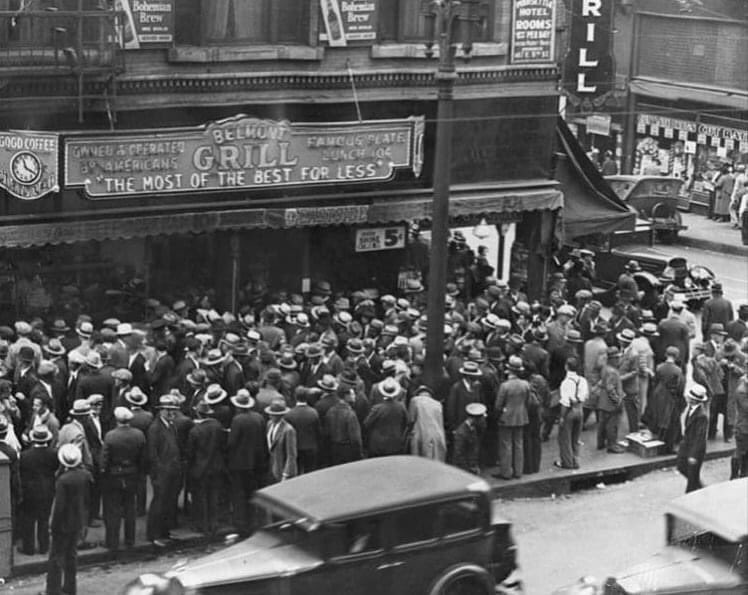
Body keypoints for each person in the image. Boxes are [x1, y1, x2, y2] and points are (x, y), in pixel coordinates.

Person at [45, 444, 93, 595]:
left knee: (56, 558)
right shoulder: (85, 475)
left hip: (63, 524)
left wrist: (53, 525)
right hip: (78, 521)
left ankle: (53, 590)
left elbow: (59, 506)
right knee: (71, 556)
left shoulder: (63, 480)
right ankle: (70, 588)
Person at [101, 406, 146, 551]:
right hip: (132, 474)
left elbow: (104, 460)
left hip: (114, 476)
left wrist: (104, 474)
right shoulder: (139, 435)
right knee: (130, 509)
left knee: (113, 510)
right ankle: (130, 540)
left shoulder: (110, 436)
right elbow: (142, 458)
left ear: (117, 420)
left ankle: (112, 542)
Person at [226, 389, 266, 536]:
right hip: (256, 462)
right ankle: (253, 521)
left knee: (239, 494)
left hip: (239, 463)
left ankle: (241, 524)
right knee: (251, 493)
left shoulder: (237, 420)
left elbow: (231, 443)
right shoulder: (259, 418)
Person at [146, 394, 182, 547]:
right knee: (159, 503)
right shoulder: (155, 429)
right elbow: (152, 454)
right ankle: (154, 534)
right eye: (168, 410)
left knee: (167, 503)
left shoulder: (171, 425)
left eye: (173, 410)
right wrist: (159, 472)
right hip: (161, 473)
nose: (171, 413)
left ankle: (164, 532)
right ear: (161, 411)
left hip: (172, 471)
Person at [186, 401, 225, 536]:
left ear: (198, 413)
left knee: (200, 498)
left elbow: (190, 454)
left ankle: (202, 525)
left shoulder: (195, 431)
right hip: (216, 467)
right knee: (213, 496)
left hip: (199, 469)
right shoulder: (217, 426)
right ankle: (214, 524)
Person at [18, 426, 58, 556]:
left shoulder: (25, 456)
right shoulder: (53, 454)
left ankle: (28, 548)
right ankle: (44, 546)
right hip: (47, 489)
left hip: (29, 490)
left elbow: (21, 473)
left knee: (28, 519)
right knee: (44, 519)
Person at [494, 356, 530, 479]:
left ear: (509, 370)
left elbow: (498, 405)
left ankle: (506, 472)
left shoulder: (505, 386)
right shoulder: (525, 384)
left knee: (506, 445)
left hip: (506, 417)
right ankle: (518, 471)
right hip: (521, 416)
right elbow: (528, 401)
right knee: (519, 444)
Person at [554, 357, 588, 469]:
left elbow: (565, 402)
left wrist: (562, 417)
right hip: (580, 409)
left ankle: (567, 462)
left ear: (566, 367)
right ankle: (575, 460)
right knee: (575, 438)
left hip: (569, 411)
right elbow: (585, 397)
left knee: (565, 438)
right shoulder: (582, 380)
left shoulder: (566, 383)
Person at [363, 377, 408, 457]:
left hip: (378, 445)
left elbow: (366, 424)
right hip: (396, 443)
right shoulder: (401, 407)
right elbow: (406, 423)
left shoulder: (377, 408)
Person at [676, 385, 709, 493]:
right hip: (686, 445)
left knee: (692, 477)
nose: (687, 398)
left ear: (694, 400)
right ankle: (701, 488)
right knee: (681, 467)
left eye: (689, 397)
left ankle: (692, 495)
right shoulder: (690, 409)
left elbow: (700, 437)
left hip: (695, 449)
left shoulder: (702, 416)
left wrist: (694, 455)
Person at [284, 387, 321, 474]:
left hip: (296, 448)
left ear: (295, 397)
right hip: (311, 447)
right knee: (311, 473)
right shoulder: (314, 412)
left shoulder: (289, 414)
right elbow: (318, 432)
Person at [407, 384, 447, 461]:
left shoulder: (415, 400)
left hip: (420, 434)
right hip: (438, 436)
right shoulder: (438, 404)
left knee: (418, 462)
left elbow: (411, 420)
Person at [596, 347, 625, 453]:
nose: (618, 360)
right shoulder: (613, 372)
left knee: (602, 424)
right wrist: (617, 401)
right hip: (610, 403)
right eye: (617, 358)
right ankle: (612, 445)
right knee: (612, 425)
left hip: (602, 401)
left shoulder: (605, 368)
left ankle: (600, 443)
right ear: (612, 359)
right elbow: (610, 388)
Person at [265, 398, 298, 483]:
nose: (270, 416)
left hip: (281, 470)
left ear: (280, 415)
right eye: (270, 414)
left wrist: (286, 474)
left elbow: (291, 455)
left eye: (273, 414)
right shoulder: (269, 424)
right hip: (271, 468)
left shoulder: (288, 430)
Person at [452, 402, 487, 475]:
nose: (483, 422)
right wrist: (470, 469)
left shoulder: (473, 428)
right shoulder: (461, 433)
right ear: (475, 419)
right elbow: (459, 455)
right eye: (482, 419)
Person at [733, 367, 748, 478]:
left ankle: (744, 473)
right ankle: (733, 475)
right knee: (740, 451)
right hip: (743, 427)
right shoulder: (742, 391)